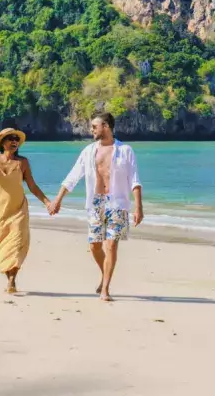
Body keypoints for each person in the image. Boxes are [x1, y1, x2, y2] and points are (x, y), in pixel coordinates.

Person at [49, 112, 143, 302]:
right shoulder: (89, 151)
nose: (91, 130)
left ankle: (105, 288)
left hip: (117, 203)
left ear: (106, 126)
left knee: (111, 246)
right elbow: (73, 176)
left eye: (94, 126)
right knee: (94, 246)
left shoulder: (125, 150)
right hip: (96, 203)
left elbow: (134, 180)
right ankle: (105, 274)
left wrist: (138, 207)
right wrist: (57, 199)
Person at [0, 126, 52, 294]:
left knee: (16, 244)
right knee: (0, 244)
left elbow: (32, 186)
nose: (15, 141)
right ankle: (9, 275)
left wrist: (47, 202)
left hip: (18, 210)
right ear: (3, 143)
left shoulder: (22, 162)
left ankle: (12, 280)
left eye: (16, 139)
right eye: (11, 138)